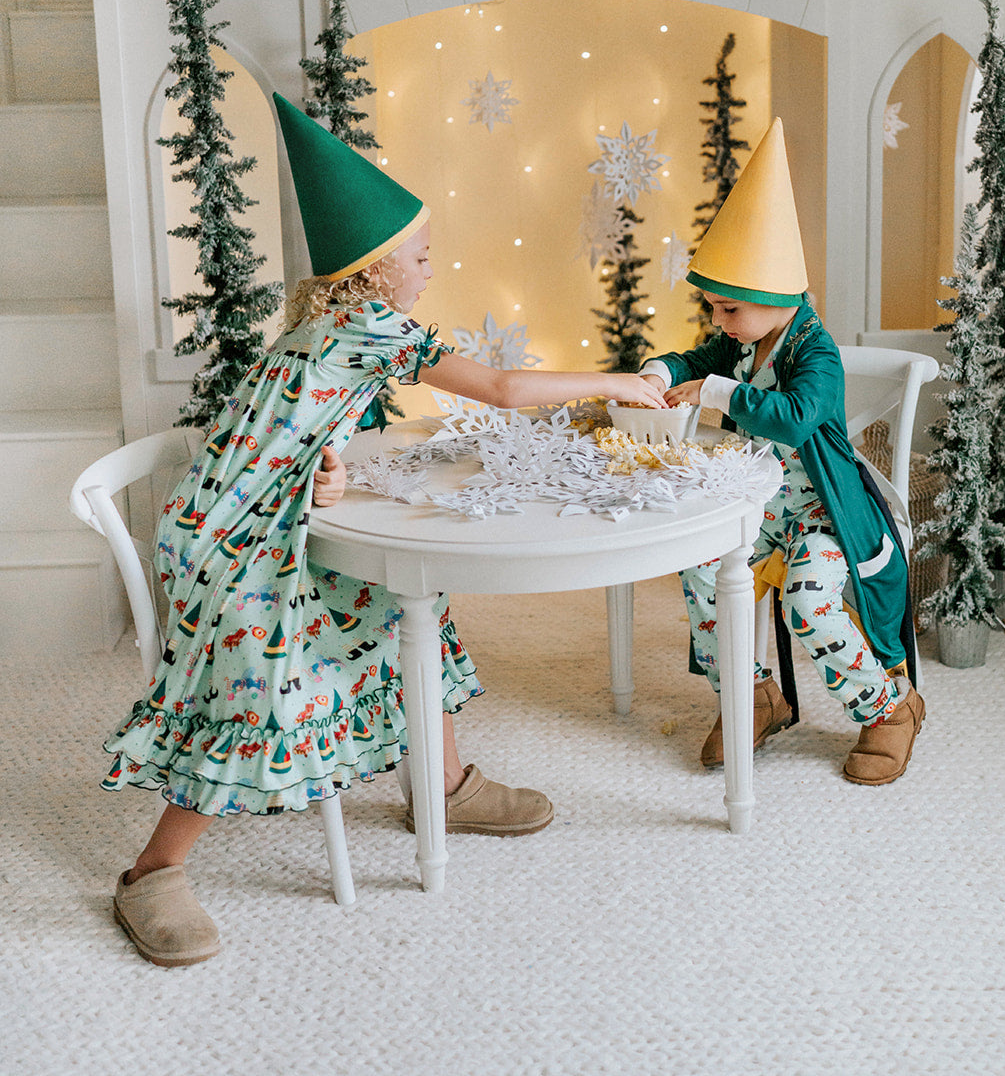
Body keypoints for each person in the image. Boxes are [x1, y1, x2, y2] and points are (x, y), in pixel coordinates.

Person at [106, 93, 668, 967]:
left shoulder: (328, 322)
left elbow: (298, 426)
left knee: (411, 600)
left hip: (251, 507)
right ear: (374, 270)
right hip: (231, 536)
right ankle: (151, 870)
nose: (429, 271)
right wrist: (616, 383)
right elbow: (505, 389)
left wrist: (326, 468)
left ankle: (440, 785)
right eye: (421, 256)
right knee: (258, 673)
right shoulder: (372, 322)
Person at [638, 117, 924, 786]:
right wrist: (661, 371)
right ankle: (753, 693)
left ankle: (888, 710)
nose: (717, 321)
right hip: (757, 505)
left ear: (774, 301)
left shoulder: (814, 354)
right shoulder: (742, 341)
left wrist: (712, 393)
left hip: (823, 514)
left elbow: (795, 420)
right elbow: (693, 357)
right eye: (711, 306)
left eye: (728, 308)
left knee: (807, 599)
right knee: (700, 568)